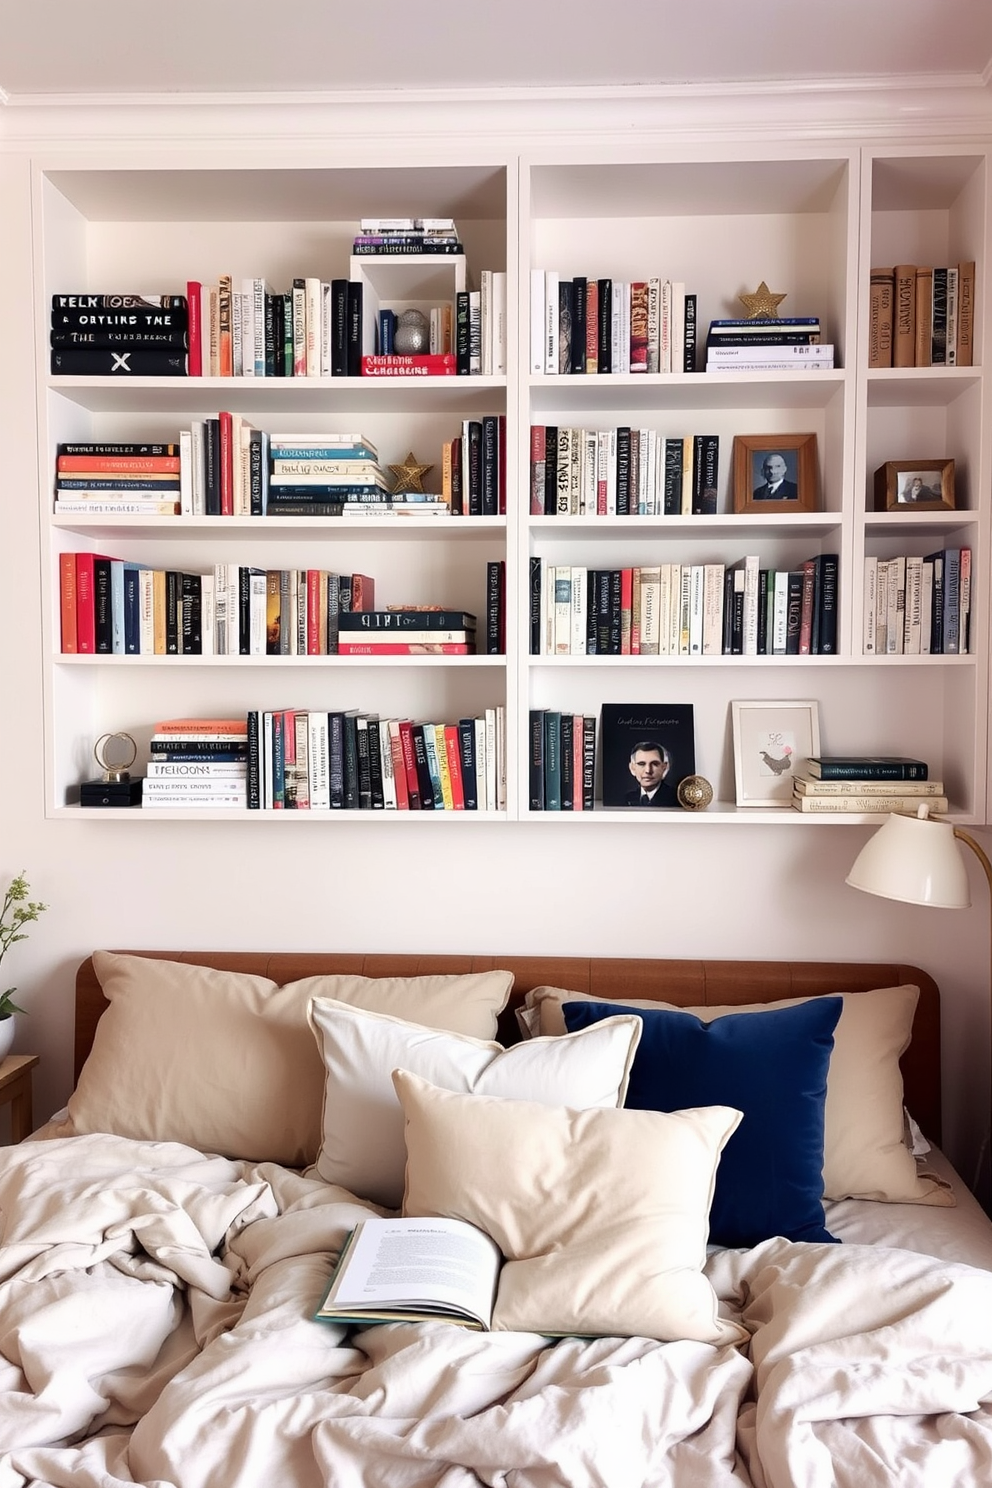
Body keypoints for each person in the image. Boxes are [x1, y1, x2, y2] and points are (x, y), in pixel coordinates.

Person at [624, 739, 678, 807]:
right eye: (641, 764)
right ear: (632, 768)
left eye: (655, 764)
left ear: (664, 767)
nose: (648, 770)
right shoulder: (626, 799)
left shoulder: (676, 799)